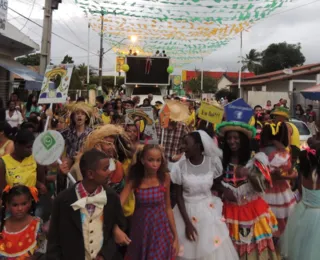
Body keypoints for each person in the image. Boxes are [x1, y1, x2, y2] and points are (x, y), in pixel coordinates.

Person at [46, 149, 126, 260]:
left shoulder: (111, 197)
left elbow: (119, 227)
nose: (109, 172)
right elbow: (54, 240)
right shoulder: (63, 200)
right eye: (105, 169)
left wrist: (104, 254)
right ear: (90, 174)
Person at [215, 120, 278, 260]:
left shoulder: (255, 159)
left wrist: (249, 173)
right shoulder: (221, 160)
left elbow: (264, 186)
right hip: (228, 212)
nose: (232, 141)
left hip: (252, 213)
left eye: (236, 138)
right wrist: (223, 190)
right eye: (229, 138)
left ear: (243, 140)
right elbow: (214, 182)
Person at [171, 131, 238, 260]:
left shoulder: (212, 163)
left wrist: (226, 191)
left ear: (198, 145)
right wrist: (188, 224)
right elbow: (178, 197)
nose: (182, 146)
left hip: (209, 212)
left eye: (186, 143)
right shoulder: (179, 167)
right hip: (186, 211)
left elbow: (216, 184)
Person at [120, 144, 179, 259]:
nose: (155, 164)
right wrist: (116, 227)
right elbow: (118, 204)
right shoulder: (135, 180)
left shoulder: (164, 177)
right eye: (151, 160)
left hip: (161, 229)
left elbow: (168, 207)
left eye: (158, 160)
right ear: (142, 160)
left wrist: (175, 236)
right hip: (141, 229)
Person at [280, 148, 320, 260]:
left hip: (303, 210)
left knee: (302, 242)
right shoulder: (317, 177)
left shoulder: (303, 174)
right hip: (317, 213)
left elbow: (300, 191)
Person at [260, 122, 297, 238]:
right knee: (282, 221)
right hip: (283, 192)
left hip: (265, 190)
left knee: (266, 220)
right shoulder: (284, 152)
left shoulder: (261, 152)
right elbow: (293, 173)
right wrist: (284, 176)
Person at [0, 185, 45, 258]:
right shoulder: (2, 227)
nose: (20, 208)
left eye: (24, 204)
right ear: (7, 205)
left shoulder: (37, 225)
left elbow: (42, 252)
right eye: (15, 205)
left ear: (30, 202)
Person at [0, 129, 46, 194]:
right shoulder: (3, 162)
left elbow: (41, 183)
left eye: (32, 147)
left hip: (33, 200)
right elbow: (3, 190)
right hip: (13, 202)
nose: (31, 150)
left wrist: (39, 185)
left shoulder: (35, 159)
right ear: (16, 145)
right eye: (28, 147)